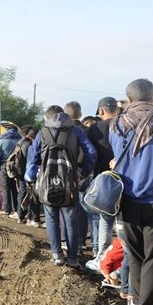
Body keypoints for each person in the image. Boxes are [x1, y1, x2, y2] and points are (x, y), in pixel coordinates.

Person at [108, 78, 153, 305]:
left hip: (126, 201)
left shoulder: (116, 125)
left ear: (129, 100)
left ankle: (139, 303)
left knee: (136, 254)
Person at [25, 105, 97, 269]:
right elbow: (91, 152)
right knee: (71, 221)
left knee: (51, 219)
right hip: (69, 182)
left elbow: (33, 158)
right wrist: (82, 172)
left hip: (47, 182)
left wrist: (31, 177)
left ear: (48, 118)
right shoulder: (76, 131)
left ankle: (57, 255)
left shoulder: (42, 133)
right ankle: (72, 259)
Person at [84, 97, 120, 271]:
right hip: (125, 179)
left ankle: (101, 255)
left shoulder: (95, 129)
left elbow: (89, 154)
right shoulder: (125, 126)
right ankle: (121, 263)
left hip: (103, 180)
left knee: (105, 219)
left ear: (101, 111)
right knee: (123, 224)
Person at [64, 101, 91, 255]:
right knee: (83, 207)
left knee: (67, 208)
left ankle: (69, 242)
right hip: (83, 173)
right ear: (80, 114)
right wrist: (85, 171)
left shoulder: (62, 130)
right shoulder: (88, 130)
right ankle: (80, 241)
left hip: (66, 173)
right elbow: (91, 152)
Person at [15, 125, 41, 227]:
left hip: (29, 174)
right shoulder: (37, 145)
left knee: (31, 196)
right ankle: (33, 218)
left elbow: (30, 163)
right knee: (34, 197)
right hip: (38, 174)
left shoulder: (29, 146)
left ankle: (31, 218)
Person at [0, 124, 22, 216]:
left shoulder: (1, 141)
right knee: (16, 188)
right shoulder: (20, 140)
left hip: (4, 165)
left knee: (5, 188)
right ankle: (17, 209)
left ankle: (7, 209)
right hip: (17, 166)